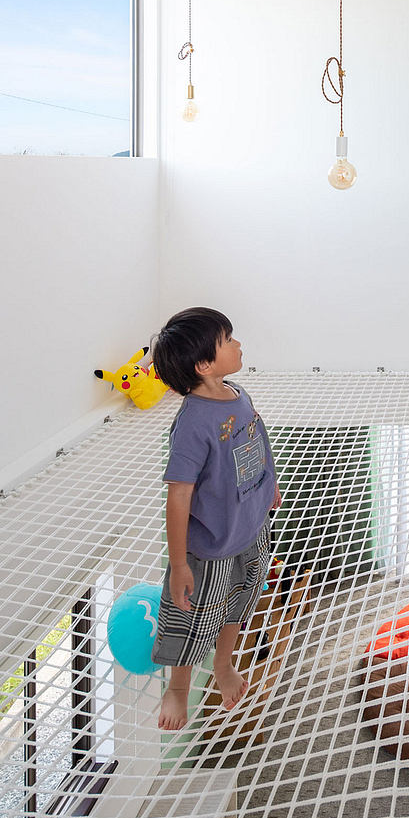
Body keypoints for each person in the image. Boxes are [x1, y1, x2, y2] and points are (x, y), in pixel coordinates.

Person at [149, 307, 280, 731]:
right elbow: (179, 495)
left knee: (239, 602)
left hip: (250, 526)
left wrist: (268, 485)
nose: (238, 344)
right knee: (194, 617)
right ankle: (179, 687)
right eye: (228, 340)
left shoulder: (236, 392)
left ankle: (223, 666)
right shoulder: (192, 423)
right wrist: (181, 564)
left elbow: (256, 441)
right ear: (203, 364)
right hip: (209, 546)